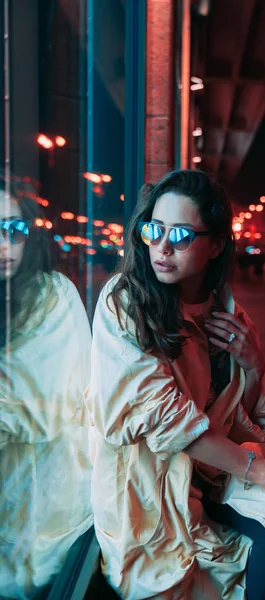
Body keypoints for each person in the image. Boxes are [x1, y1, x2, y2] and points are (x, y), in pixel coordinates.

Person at [87, 170, 265, 600]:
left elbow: (234, 428)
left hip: (210, 477)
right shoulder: (124, 302)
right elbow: (165, 420)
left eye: (182, 235)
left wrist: (255, 368)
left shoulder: (230, 316)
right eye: (156, 230)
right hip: (148, 487)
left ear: (217, 244)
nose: (163, 248)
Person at [0, 182, 93, 599]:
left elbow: (43, 407)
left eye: (15, 228)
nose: (6, 244)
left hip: (42, 499)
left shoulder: (51, 294)